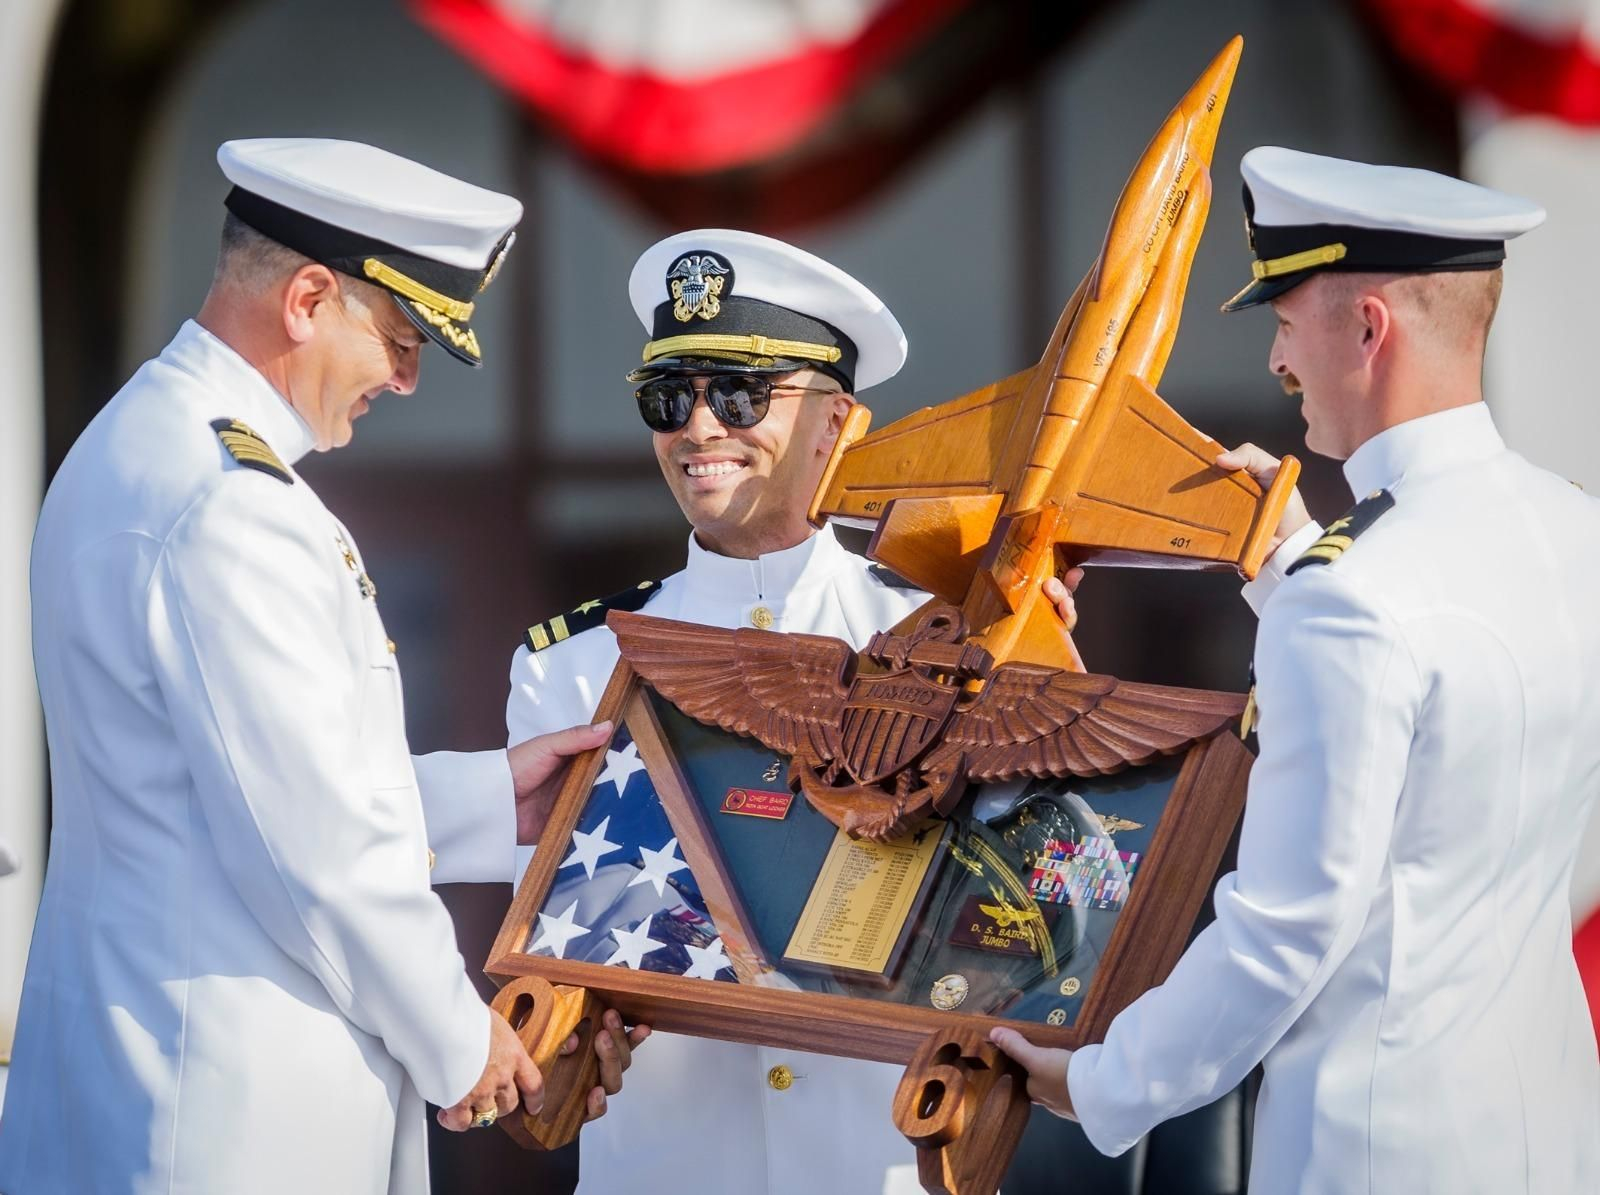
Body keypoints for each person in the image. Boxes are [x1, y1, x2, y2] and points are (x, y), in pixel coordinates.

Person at [0, 138, 624, 1195]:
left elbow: (223, 796)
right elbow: (315, 846)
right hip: (224, 1118)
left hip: (170, 1081)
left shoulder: (149, 444)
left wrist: (485, 798)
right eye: (400, 337)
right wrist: (456, 1038)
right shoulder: (233, 503)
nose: (408, 378)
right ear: (306, 298)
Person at [992, 146, 1600, 1192]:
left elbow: (1286, 932)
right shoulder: (1569, 526)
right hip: (1543, 1132)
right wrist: (1289, 562)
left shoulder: (1351, 591)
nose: (1278, 363)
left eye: (1283, 321)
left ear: (1367, 327)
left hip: (1373, 1152)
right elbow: (1440, 718)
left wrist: (1097, 1083)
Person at [493, 228, 1094, 1194]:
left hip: (875, 1163)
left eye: (739, 393)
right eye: (667, 397)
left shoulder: (952, 641)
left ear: (841, 423)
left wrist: (1039, 660)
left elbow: (1039, 908)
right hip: (669, 1166)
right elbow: (565, 952)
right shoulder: (573, 667)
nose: (697, 428)